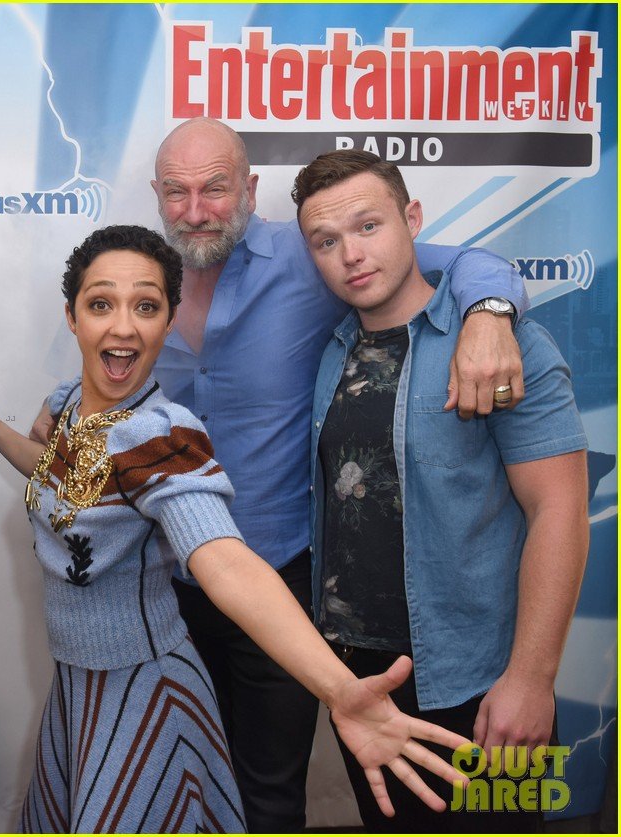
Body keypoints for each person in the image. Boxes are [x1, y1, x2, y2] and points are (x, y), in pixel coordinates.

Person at [0, 224, 472, 834]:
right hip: (78, 688)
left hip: (143, 697)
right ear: (73, 316)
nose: (123, 326)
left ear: (168, 323)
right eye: (101, 304)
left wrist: (338, 689)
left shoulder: (161, 436)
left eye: (147, 306)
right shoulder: (73, 412)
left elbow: (224, 559)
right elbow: (72, 481)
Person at [140, 117, 528, 831]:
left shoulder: (316, 255)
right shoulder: (143, 280)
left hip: (281, 583)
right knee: (184, 777)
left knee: (268, 793)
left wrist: (491, 312)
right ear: (157, 196)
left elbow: (465, 262)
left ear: (251, 190)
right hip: (168, 588)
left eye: (216, 188)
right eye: (177, 191)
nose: (195, 210)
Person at [293, 149, 589, 831]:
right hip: (365, 685)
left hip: (479, 683)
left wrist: (530, 679)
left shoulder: (503, 344)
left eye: (368, 226)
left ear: (412, 219)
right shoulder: (333, 349)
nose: (351, 254)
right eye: (326, 241)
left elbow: (560, 509)